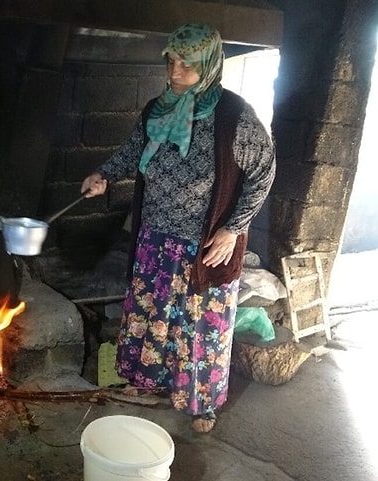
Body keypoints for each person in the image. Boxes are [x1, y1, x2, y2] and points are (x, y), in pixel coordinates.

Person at [80, 23, 275, 433]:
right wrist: (103, 174)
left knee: (200, 324)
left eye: (187, 65)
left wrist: (233, 229)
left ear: (208, 65)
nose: (175, 72)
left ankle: (201, 403)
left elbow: (264, 172)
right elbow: (134, 152)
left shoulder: (233, 117)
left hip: (204, 244)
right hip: (155, 236)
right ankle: (149, 381)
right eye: (172, 61)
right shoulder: (158, 108)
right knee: (151, 314)